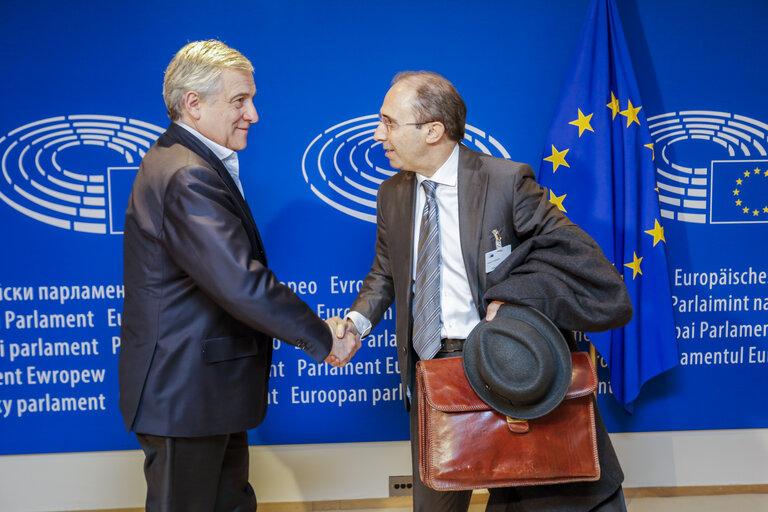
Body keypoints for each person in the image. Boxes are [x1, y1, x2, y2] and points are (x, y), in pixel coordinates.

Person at [329, 71, 633, 511]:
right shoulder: (392, 193)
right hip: (433, 374)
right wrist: (355, 325)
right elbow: (384, 274)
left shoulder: (505, 182)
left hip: (504, 363)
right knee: (435, 505)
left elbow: (572, 253)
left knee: (531, 497)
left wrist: (514, 293)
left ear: (433, 130)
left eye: (389, 123)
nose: (380, 135)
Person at [118, 40, 359, 512]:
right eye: (239, 100)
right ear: (193, 104)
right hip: (186, 393)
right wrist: (322, 337)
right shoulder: (187, 173)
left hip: (203, 392)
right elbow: (241, 283)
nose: (253, 113)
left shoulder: (187, 161)